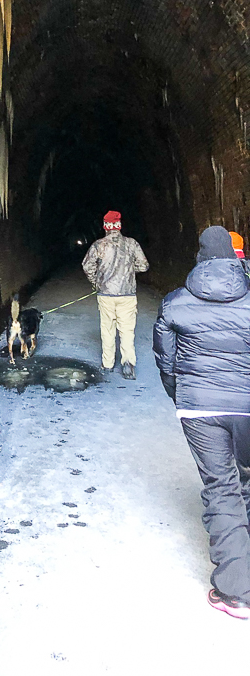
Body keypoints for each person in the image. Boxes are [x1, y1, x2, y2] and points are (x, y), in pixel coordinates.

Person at [153, 225, 250, 619]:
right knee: (245, 478)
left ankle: (237, 591)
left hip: (199, 409)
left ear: (200, 257)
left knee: (221, 487)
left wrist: (180, 397)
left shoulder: (176, 302)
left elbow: (165, 359)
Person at [82, 210, 149, 379]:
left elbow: (87, 266)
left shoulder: (99, 245)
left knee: (107, 329)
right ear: (119, 226)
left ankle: (108, 364)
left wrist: (96, 282)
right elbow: (144, 266)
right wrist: (127, 271)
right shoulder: (132, 244)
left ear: (105, 226)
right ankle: (128, 364)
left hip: (105, 295)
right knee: (127, 330)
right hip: (127, 294)